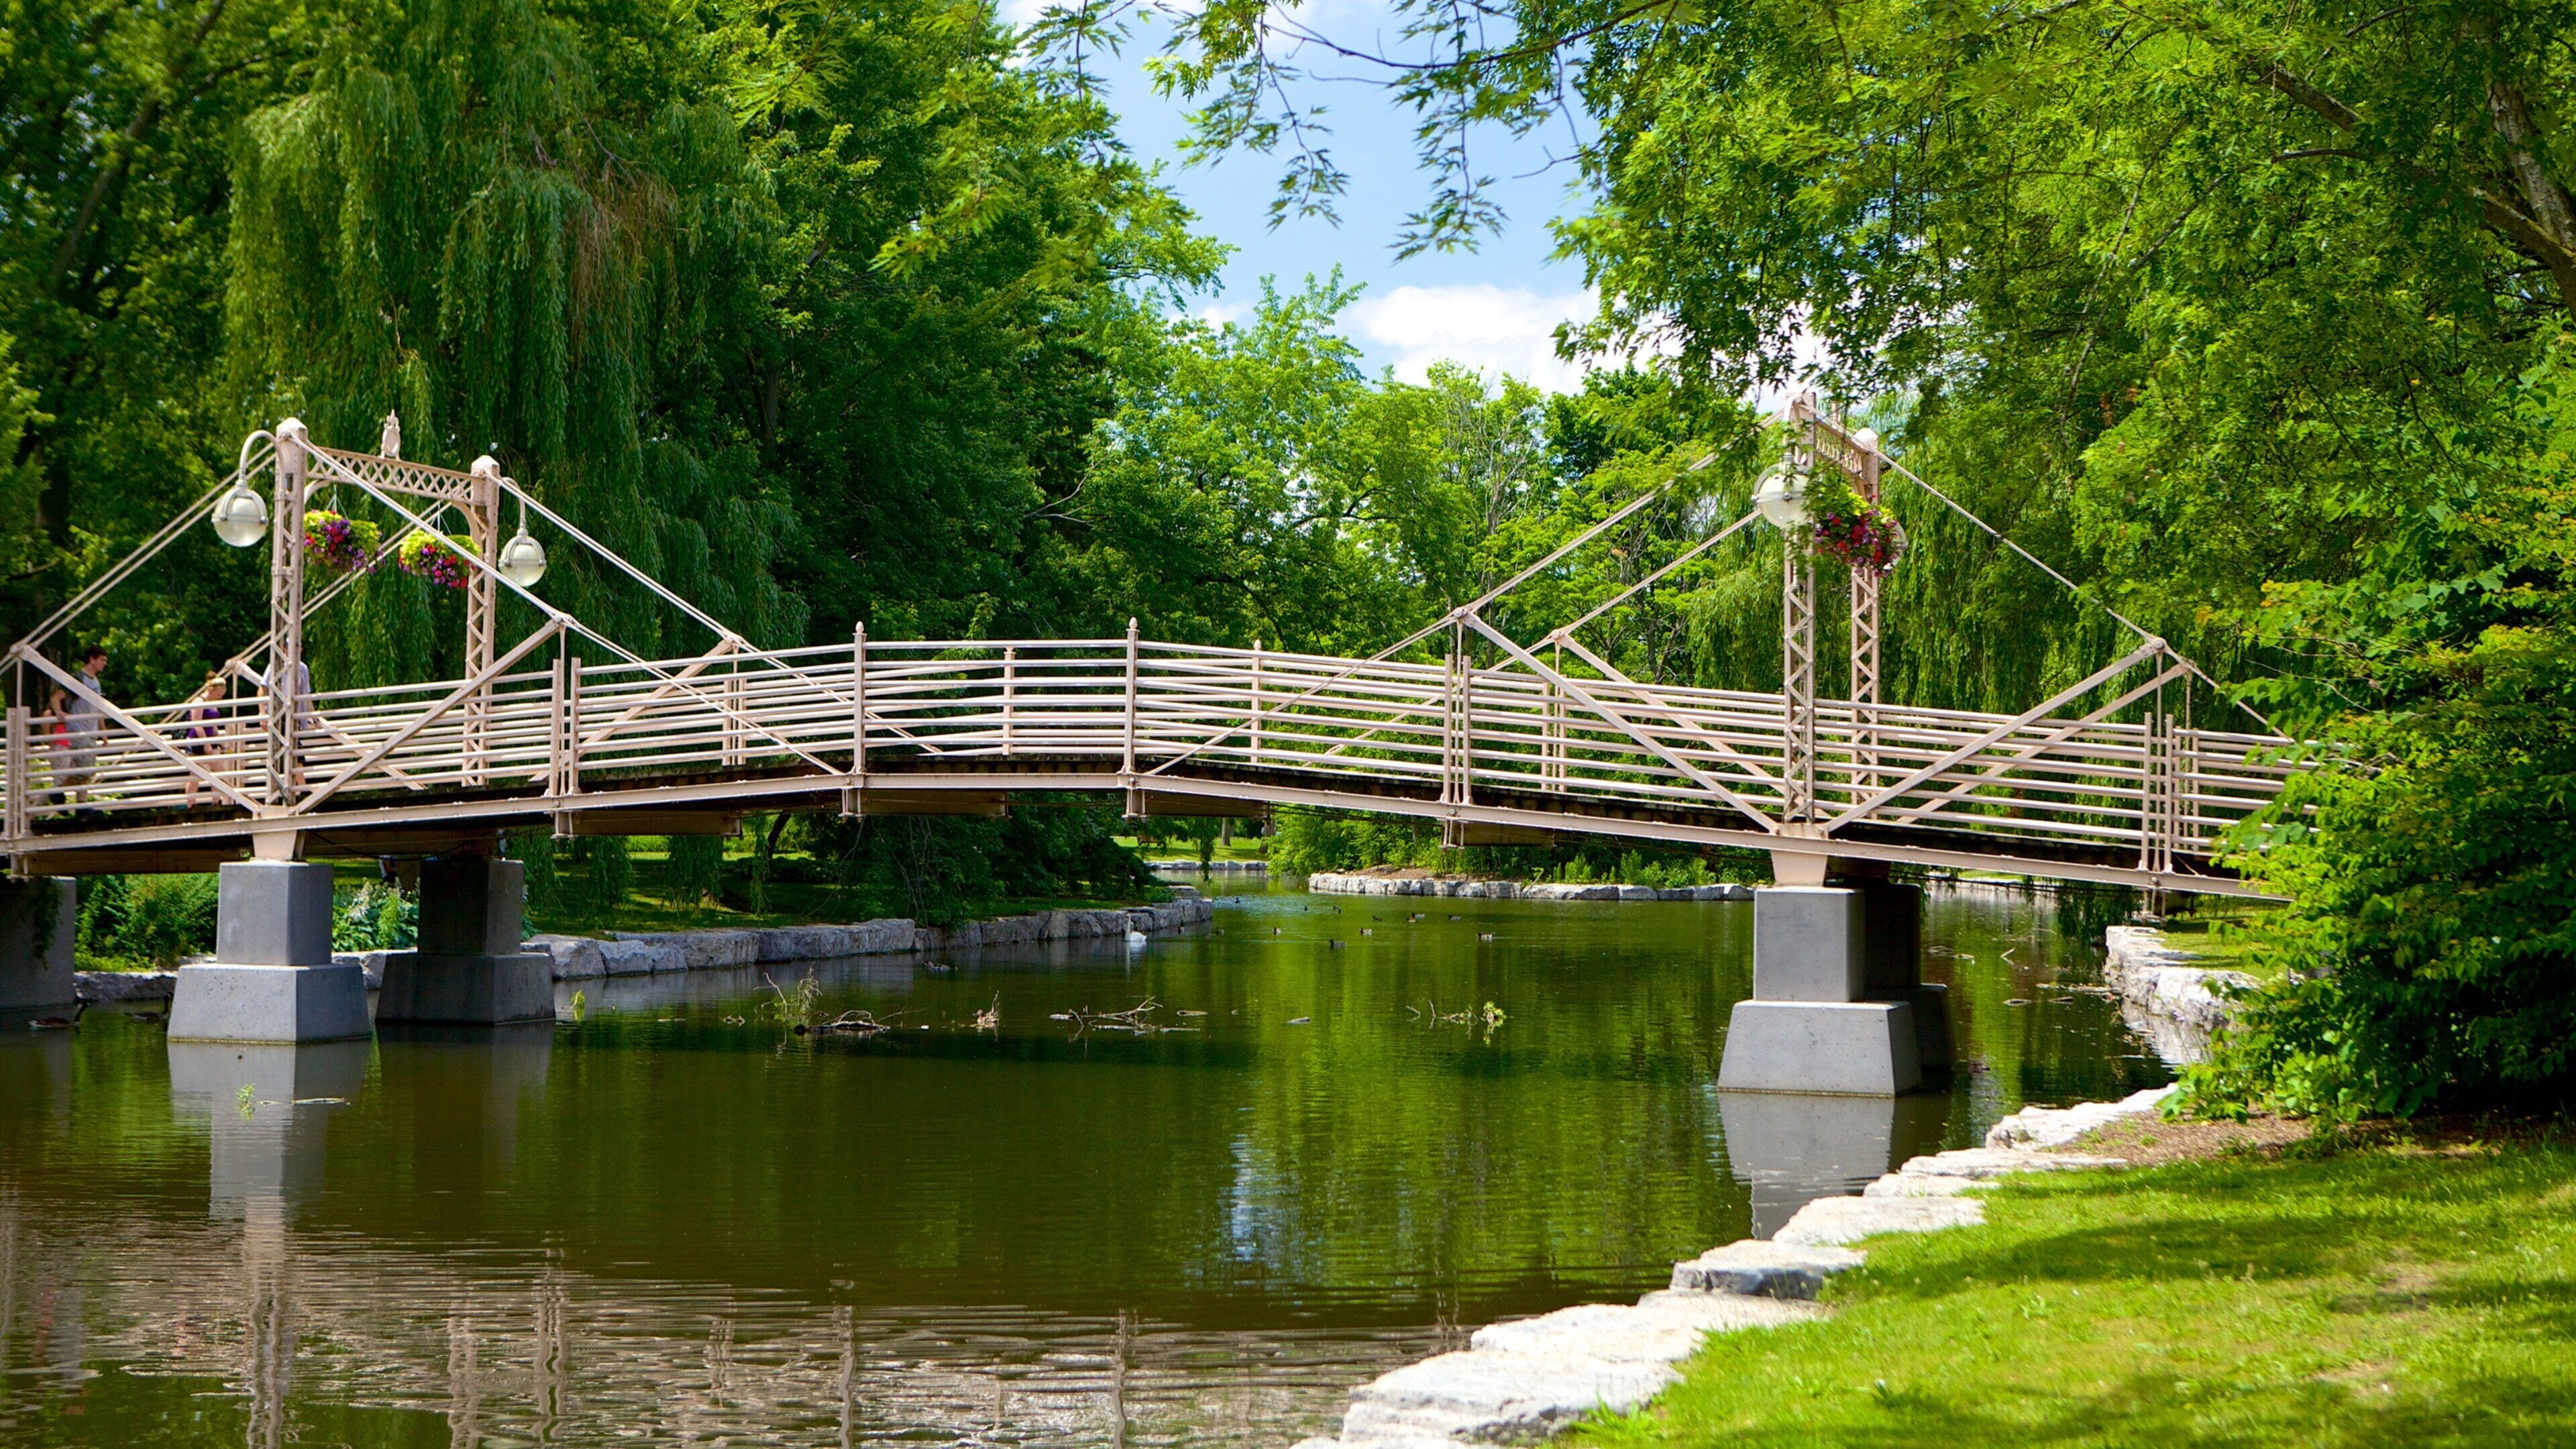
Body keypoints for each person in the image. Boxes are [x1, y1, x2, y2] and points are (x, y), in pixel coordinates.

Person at [62, 646, 107, 810]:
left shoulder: (96, 682)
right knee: (85, 770)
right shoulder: (78, 678)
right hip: (78, 728)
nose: (104, 664)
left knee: (87, 769)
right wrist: (59, 711)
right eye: (102, 660)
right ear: (92, 659)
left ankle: (82, 806)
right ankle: (57, 791)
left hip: (91, 731)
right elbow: (58, 695)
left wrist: (103, 734)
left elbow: (99, 708)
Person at [181, 670, 231, 806]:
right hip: (198, 740)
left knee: (218, 772)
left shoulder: (212, 702)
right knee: (195, 775)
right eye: (219, 694)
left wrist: (219, 741)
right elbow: (197, 723)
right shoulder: (199, 701)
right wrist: (206, 743)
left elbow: (213, 725)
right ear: (211, 689)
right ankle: (191, 804)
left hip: (209, 739)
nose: (220, 698)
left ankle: (216, 801)